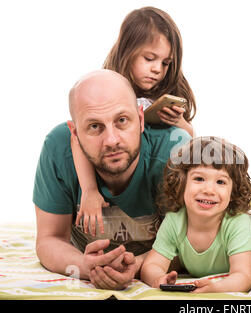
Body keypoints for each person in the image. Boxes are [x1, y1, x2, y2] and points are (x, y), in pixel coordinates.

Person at [33, 69, 191, 290]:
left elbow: (191, 243)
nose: (112, 140)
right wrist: (86, 266)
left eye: (122, 120)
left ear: (141, 118)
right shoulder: (57, 147)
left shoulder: (175, 150)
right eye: (95, 126)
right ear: (75, 133)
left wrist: (134, 266)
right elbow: (50, 239)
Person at [72, 6, 197, 236]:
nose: (157, 69)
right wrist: (89, 190)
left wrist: (184, 125)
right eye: (149, 59)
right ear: (127, 51)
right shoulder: (106, 90)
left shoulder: (167, 91)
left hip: (158, 192)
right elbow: (77, 139)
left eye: (165, 63)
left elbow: (190, 147)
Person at [140, 137, 251, 293]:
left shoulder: (237, 222)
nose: (209, 190)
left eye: (220, 182)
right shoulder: (175, 220)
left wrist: (217, 288)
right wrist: (158, 278)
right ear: (181, 183)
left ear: (233, 191)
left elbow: (243, 276)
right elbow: (152, 265)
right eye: (199, 179)